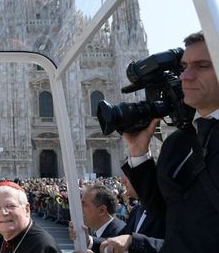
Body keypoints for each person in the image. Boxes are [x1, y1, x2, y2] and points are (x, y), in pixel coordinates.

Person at [122, 31, 219, 253]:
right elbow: (168, 217)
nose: (185, 76)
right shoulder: (177, 142)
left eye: (202, 65)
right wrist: (138, 153)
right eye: (184, 67)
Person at [99, 175, 165, 253]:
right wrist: (90, 241)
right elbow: (118, 240)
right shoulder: (137, 210)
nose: (122, 180)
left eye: (127, 175)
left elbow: (176, 245)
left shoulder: (169, 210)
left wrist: (132, 241)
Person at [68, 185, 125, 253]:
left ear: (101, 210)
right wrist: (86, 240)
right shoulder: (97, 233)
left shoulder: (120, 234)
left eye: (84, 205)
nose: (79, 209)